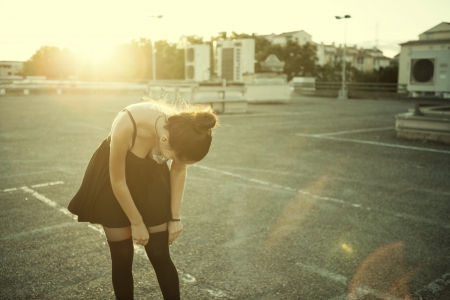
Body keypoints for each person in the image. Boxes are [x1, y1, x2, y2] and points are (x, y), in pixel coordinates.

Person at [68, 99, 218, 300]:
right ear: (164, 140)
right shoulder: (126, 125)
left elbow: (179, 169)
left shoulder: (182, 131)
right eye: (177, 158)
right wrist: (136, 223)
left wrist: (175, 218)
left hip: (150, 177)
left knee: (159, 252)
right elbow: (118, 182)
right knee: (121, 256)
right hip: (114, 180)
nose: (178, 163)